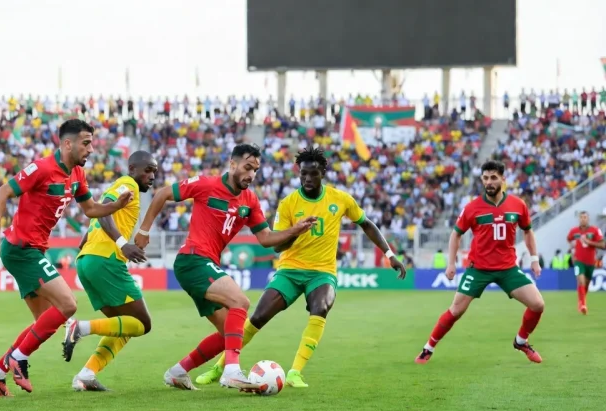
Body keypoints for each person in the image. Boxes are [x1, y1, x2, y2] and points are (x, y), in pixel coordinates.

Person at [195, 146, 407, 388]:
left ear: (323, 173)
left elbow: (366, 223)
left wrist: (390, 254)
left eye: (312, 174)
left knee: (322, 306)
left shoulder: (340, 199)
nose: (307, 178)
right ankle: (218, 367)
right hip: (290, 270)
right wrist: (297, 231)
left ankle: (295, 372)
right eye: (303, 174)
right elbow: (276, 247)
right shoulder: (289, 204)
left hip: (322, 272)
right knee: (258, 317)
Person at [134, 143, 317, 391]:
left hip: (206, 264)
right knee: (240, 302)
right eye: (247, 167)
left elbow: (265, 239)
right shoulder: (206, 185)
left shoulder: (250, 200)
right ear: (232, 164)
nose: (251, 175)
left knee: (229, 333)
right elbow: (163, 193)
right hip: (192, 259)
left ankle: (177, 372)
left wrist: (295, 230)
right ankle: (231, 371)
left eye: (255, 170)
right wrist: (144, 231)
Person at [0, 119, 133, 397]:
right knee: (68, 304)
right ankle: (19, 359)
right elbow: (2, 193)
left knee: (43, 322)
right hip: (20, 248)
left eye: (91, 143)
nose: (90, 149)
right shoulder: (41, 168)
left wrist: (116, 206)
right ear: (67, 143)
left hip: (34, 250)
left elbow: (91, 209)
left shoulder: (77, 175)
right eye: (86, 143)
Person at [415, 160, 545, 364]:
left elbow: (528, 231)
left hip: (508, 268)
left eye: (493, 177)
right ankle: (428, 348)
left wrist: (534, 259)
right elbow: (455, 235)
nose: (489, 182)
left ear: (503, 178)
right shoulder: (472, 208)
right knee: (456, 310)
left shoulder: (518, 205)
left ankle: (521, 341)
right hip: (478, 269)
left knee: (537, 304)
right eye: (485, 178)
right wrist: (451, 263)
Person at [64, 151, 158, 391]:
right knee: (143, 324)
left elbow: (99, 216)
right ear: (133, 168)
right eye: (147, 170)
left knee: (126, 326)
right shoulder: (128, 184)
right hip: (106, 259)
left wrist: (87, 240)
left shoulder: (124, 188)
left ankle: (86, 375)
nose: (152, 176)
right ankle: (80, 328)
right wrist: (122, 244)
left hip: (88, 260)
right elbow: (104, 206)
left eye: (154, 172)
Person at [567, 211, 605, 315]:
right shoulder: (573, 231)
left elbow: (603, 245)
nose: (583, 219)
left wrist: (590, 243)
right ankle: (583, 304)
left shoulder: (595, 230)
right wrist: (573, 252)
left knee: (586, 284)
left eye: (585, 217)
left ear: (588, 219)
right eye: (581, 217)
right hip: (578, 261)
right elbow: (569, 240)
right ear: (579, 219)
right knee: (581, 281)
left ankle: (582, 300)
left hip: (591, 262)